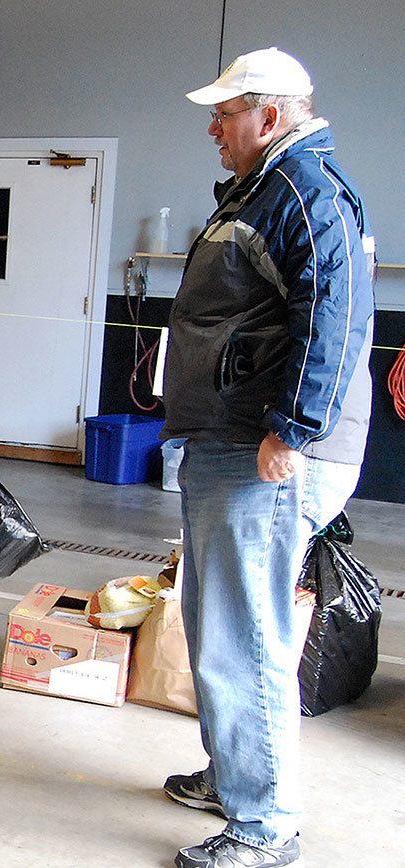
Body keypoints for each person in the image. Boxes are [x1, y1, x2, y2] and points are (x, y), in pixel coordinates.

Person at [161, 47, 375, 868]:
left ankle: (263, 825)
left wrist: (294, 429)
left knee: (246, 634)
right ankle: (236, 778)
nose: (213, 127)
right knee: (216, 620)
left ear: (272, 116)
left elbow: (339, 311)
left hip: (268, 450)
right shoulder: (263, 188)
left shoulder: (302, 190)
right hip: (233, 440)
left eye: (225, 114)